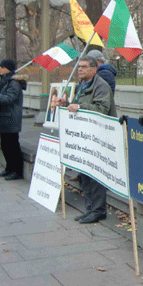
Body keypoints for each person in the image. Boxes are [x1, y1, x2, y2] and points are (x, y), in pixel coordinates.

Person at [55, 56, 116, 224]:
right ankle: (90, 208)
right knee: (85, 174)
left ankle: (98, 210)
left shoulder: (101, 86)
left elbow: (102, 109)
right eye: (79, 67)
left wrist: (80, 107)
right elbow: (77, 106)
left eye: (84, 67)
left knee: (95, 176)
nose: (80, 69)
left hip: (98, 138)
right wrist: (66, 103)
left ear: (94, 69)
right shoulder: (83, 85)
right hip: (84, 137)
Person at [0, 59, 26, 180]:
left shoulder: (14, 83)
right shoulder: (4, 81)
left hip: (11, 119)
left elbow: (8, 99)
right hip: (3, 118)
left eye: (2, 67)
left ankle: (17, 171)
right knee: (5, 145)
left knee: (13, 146)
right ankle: (9, 168)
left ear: (8, 69)